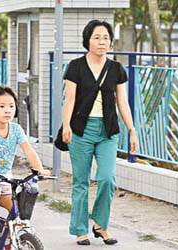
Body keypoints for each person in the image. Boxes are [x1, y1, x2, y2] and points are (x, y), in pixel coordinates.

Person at [61, 20, 138, 246]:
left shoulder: (116, 69)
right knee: (81, 181)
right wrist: (66, 126)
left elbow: (122, 103)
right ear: (87, 41)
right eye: (96, 37)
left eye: (105, 37)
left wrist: (132, 131)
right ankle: (80, 230)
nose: (102, 42)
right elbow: (70, 100)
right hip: (80, 131)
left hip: (108, 131)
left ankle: (100, 224)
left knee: (107, 179)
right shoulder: (75, 67)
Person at [0, 86, 51, 250]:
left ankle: (9, 239)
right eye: (1, 106)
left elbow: (29, 151)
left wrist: (40, 169)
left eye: (11, 106)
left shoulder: (16, 129)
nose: (7, 110)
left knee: (18, 209)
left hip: (5, 179)